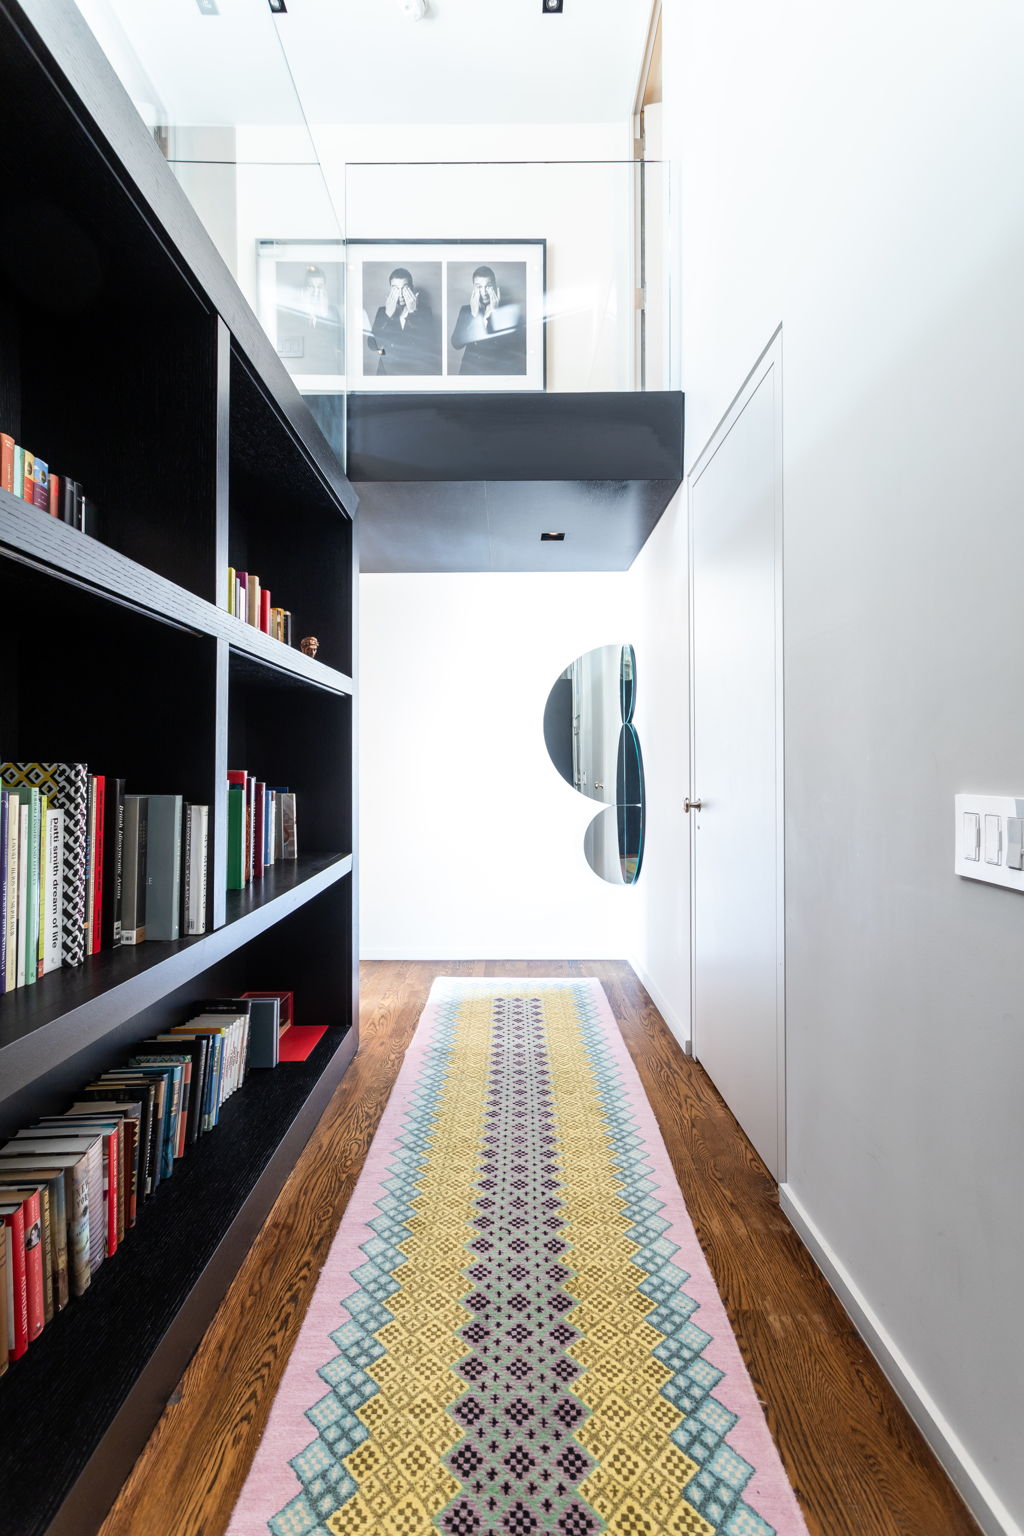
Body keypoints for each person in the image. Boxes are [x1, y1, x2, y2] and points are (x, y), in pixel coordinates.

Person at [450, 265, 526, 376]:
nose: (484, 292)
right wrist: (474, 316)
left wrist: (495, 314)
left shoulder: (509, 312)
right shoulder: (466, 310)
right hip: (469, 373)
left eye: (488, 286)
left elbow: (512, 351)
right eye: (479, 287)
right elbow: (456, 344)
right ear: (474, 288)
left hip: (495, 374)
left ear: (494, 286)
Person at [366, 267, 441, 376]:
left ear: (412, 288)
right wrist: (387, 316)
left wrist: (413, 313)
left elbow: (428, 346)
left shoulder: (425, 312)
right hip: (386, 374)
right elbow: (372, 345)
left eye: (404, 288)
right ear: (390, 289)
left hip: (414, 374)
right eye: (395, 289)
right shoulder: (382, 312)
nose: (400, 294)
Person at [276, 263, 343, 377]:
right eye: (311, 286)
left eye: (320, 287)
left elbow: (339, 344)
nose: (316, 292)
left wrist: (324, 313)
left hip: (328, 372)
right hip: (301, 373)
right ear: (303, 289)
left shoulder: (332, 312)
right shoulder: (292, 312)